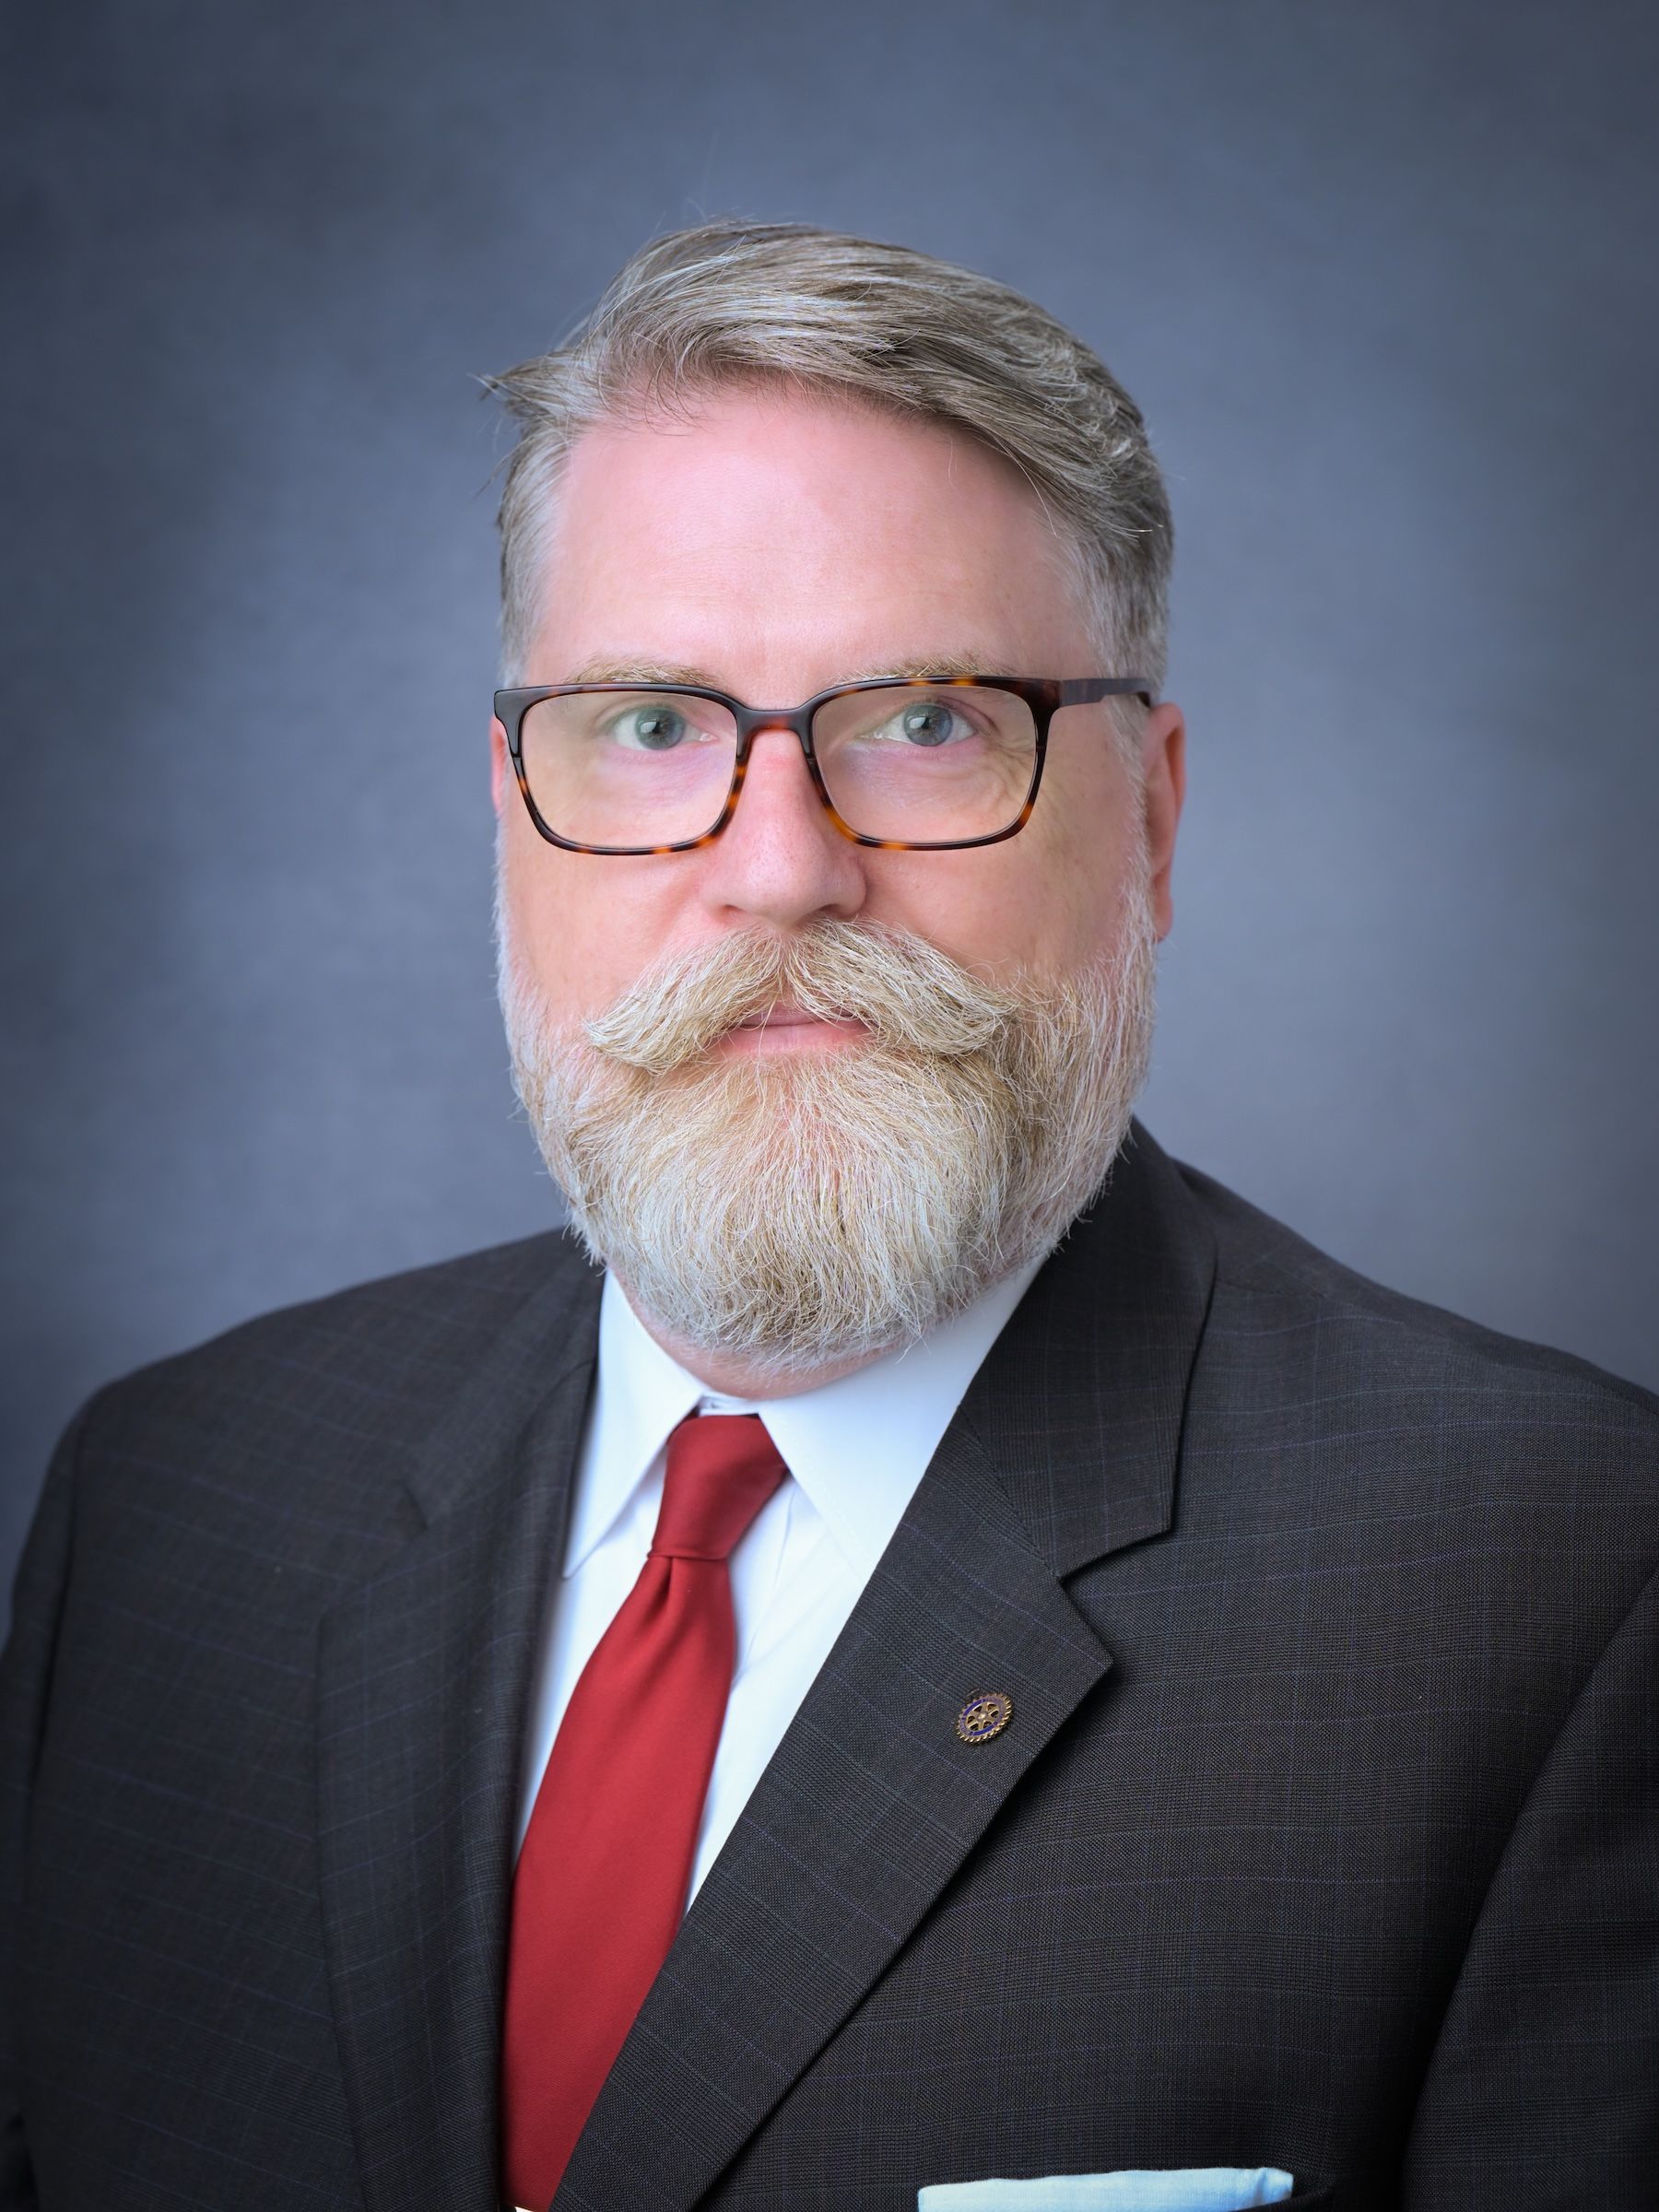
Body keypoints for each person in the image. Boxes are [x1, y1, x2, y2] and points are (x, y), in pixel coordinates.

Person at [2, 222, 1654, 2212]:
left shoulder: (1559, 1594)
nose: (780, 873)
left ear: (1151, 818)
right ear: (506, 809)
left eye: (934, 720)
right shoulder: (171, 1502)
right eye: (649, 725)